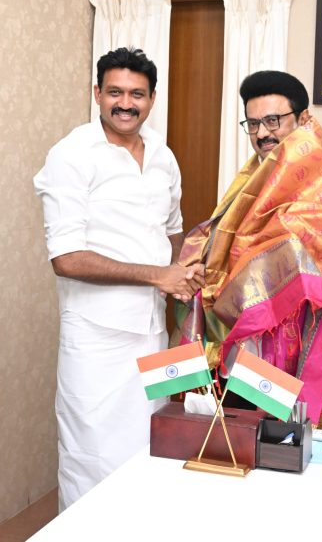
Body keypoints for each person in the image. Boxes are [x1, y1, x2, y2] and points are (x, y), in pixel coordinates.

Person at [174, 70, 322, 443]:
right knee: (248, 448)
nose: (262, 133)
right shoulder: (252, 182)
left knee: (300, 453)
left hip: (309, 344)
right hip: (252, 350)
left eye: (273, 120)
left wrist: (284, 252)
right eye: (253, 124)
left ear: (303, 119)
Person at [34, 47, 204, 510]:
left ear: (152, 99)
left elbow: (172, 231)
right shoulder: (71, 155)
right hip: (95, 339)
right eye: (115, 92)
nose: (125, 104)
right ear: (97, 94)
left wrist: (184, 274)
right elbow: (67, 258)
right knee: (91, 458)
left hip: (151, 334)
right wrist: (159, 276)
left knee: (152, 447)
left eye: (136, 94)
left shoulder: (163, 156)